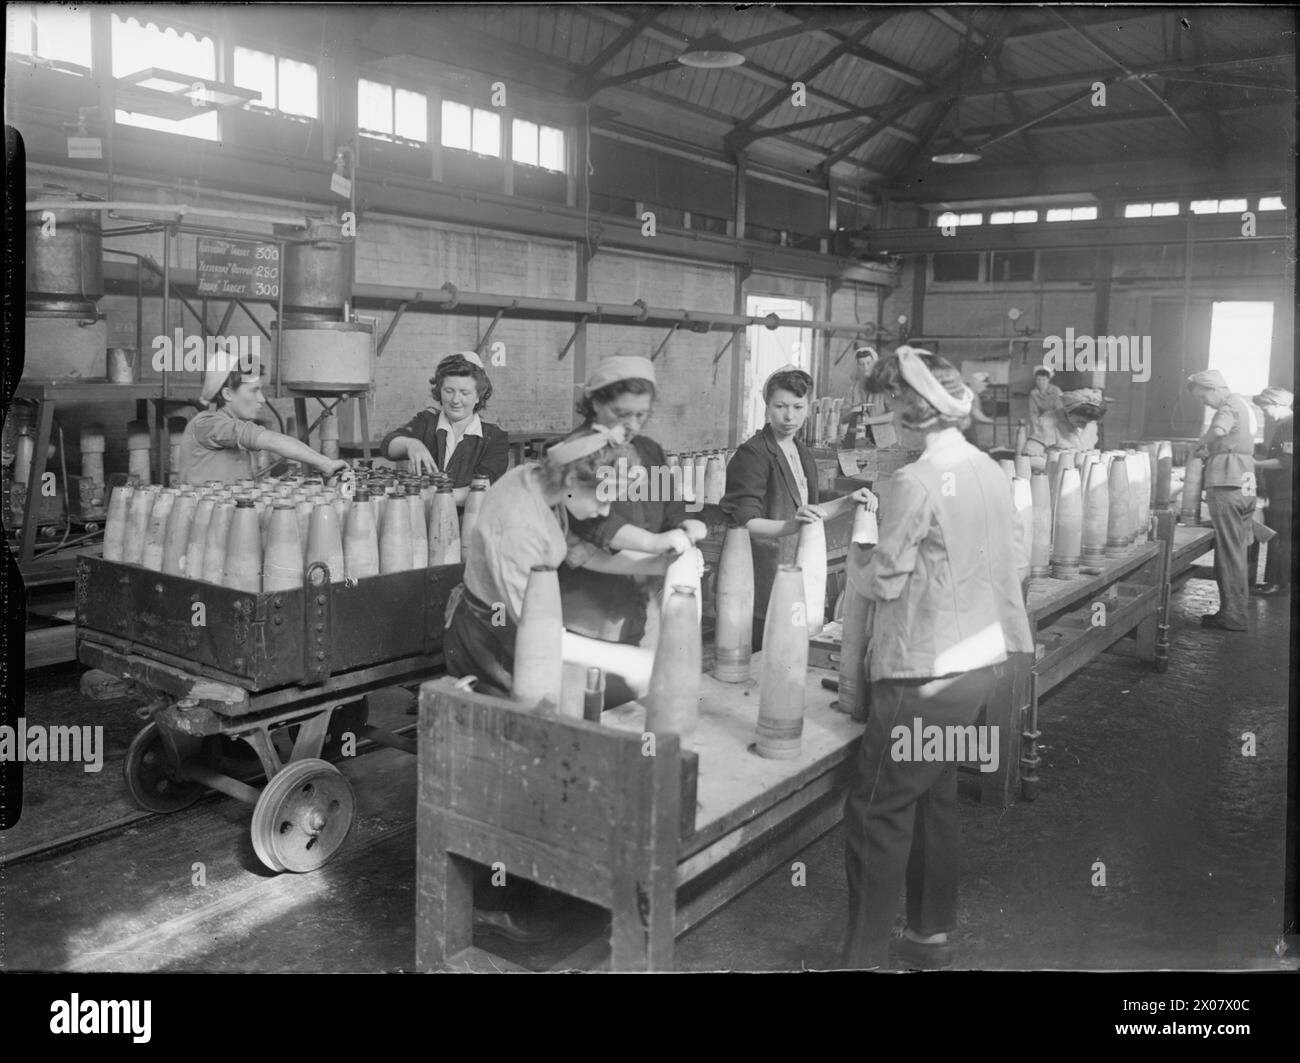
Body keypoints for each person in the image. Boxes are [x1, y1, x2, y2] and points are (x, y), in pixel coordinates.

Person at [442, 422, 681, 944]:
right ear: (576, 481)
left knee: (544, 755)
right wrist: (628, 663)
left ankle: (538, 883)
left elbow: (583, 553)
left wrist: (661, 558)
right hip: (491, 640)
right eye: (603, 500)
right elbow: (539, 636)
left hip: (526, 631)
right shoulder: (517, 526)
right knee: (508, 765)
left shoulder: (546, 484)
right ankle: (494, 904)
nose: (605, 515)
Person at [841, 346, 1033, 970]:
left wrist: (857, 554)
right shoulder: (990, 470)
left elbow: (886, 581)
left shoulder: (914, 481)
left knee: (877, 808)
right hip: (977, 666)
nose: (888, 411)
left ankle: (862, 959)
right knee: (932, 796)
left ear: (916, 409)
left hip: (919, 672)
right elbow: (1010, 565)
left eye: (893, 400)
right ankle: (928, 936)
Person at [721, 365, 877, 646]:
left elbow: (811, 513)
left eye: (798, 406)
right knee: (764, 657)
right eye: (780, 406)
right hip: (763, 578)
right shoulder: (753, 454)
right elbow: (744, 523)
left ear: (808, 407)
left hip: (797, 572)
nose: (789, 415)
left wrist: (849, 501)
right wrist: (793, 525)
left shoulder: (800, 451)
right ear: (767, 405)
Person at [558, 355, 704, 646]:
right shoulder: (575, 453)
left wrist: (686, 527)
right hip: (587, 608)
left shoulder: (649, 451)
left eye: (641, 415)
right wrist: (655, 544)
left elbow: (670, 506)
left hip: (639, 598)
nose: (632, 424)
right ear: (596, 403)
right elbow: (591, 525)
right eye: (622, 413)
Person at [178, 350, 351, 485]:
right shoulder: (207, 424)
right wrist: (325, 463)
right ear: (228, 394)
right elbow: (270, 441)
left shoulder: (230, 428)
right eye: (254, 391)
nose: (261, 399)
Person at [380, 351, 510, 504]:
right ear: (439, 391)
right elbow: (387, 445)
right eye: (449, 391)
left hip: (468, 519)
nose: (455, 400)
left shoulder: (493, 438)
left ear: (478, 397)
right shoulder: (426, 423)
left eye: (465, 393)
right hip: (422, 518)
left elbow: (482, 489)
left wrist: (436, 497)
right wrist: (410, 444)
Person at [1186, 369, 1257, 631]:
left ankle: (1234, 616)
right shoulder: (1245, 405)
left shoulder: (1228, 405)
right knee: (1238, 550)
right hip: (1246, 482)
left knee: (1228, 553)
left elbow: (1218, 429)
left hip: (1228, 481)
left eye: (1203, 398)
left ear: (1214, 388)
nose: (1205, 403)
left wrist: (1199, 445)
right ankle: (1236, 610)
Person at [1252, 386, 1292, 597]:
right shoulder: (1284, 424)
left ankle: (1274, 583)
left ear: (1277, 404)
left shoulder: (1289, 425)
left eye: (1265, 407)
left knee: (1279, 537)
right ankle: (1280, 581)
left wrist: (1256, 464)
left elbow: (1286, 461)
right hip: (1283, 491)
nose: (1264, 412)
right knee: (1283, 538)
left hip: (1285, 492)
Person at [1022, 387, 1105, 463]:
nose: (1083, 427)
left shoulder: (1091, 425)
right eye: (1080, 421)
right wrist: (1057, 467)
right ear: (1068, 411)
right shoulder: (1047, 423)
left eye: (1087, 422)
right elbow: (1028, 458)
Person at [839, 346, 895, 447]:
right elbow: (842, 417)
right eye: (861, 364)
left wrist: (870, 421)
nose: (865, 367)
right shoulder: (853, 389)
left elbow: (894, 414)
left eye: (869, 363)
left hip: (885, 442)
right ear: (857, 366)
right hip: (859, 442)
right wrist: (853, 411)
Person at [1028, 367, 1062, 437]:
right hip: (1042, 419)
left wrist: (1048, 418)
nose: (1041, 382)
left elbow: (1060, 409)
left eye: (1043, 379)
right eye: (1038, 379)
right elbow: (1033, 412)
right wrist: (1036, 422)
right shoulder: (1034, 393)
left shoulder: (1055, 391)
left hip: (1056, 417)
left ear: (1048, 380)